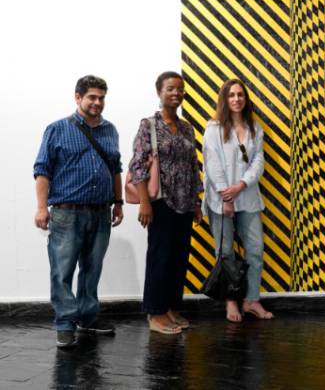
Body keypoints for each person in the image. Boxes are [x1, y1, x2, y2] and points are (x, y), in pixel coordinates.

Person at [33, 75, 124, 348]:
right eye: (92, 97)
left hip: (101, 213)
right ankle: (65, 323)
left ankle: (87, 318)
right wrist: (41, 208)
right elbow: (42, 170)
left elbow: (116, 169)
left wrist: (118, 202)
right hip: (66, 214)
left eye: (101, 98)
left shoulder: (110, 130)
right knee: (62, 271)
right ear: (78, 97)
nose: (97, 102)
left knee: (92, 270)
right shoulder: (57, 129)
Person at [129, 71, 202, 334]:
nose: (176, 93)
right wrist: (144, 203)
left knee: (178, 259)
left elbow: (193, 166)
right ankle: (155, 312)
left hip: (184, 203)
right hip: (160, 202)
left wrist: (196, 202)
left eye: (179, 89)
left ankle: (171, 307)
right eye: (170, 88)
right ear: (159, 92)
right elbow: (138, 165)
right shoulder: (149, 125)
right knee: (159, 257)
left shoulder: (187, 128)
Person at [202, 79, 274, 321]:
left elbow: (258, 161)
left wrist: (241, 185)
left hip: (248, 197)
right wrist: (226, 194)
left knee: (255, 249)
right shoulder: (213, 129)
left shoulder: (255, 128)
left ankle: (251, 300)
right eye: (231, 95)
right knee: (225, 252)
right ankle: (231, 302)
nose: (236, 99)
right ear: (225, 99)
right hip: (221, 200)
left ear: (245, 98)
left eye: (240, 95)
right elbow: (212, 164)